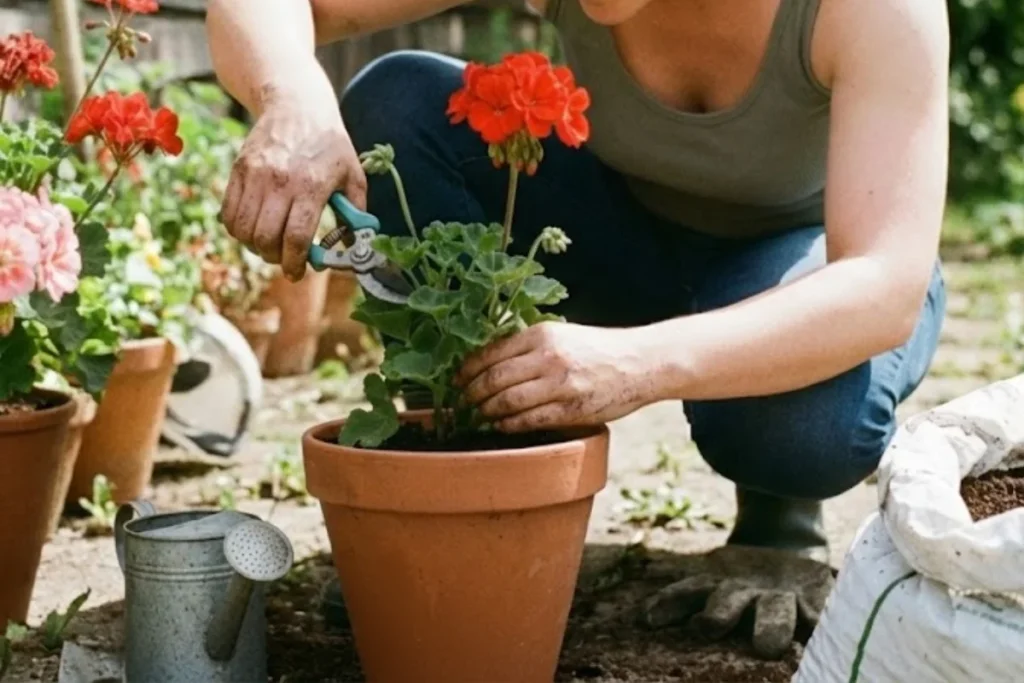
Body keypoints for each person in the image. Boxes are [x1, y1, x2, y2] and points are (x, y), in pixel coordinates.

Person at [207, 0, 949, 656]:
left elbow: (881, 284)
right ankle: (474, 480)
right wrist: (293, 97)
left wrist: (640, 362)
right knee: (395, 106)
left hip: (799, 264)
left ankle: (778, 518)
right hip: (618, 232)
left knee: (802, 429)